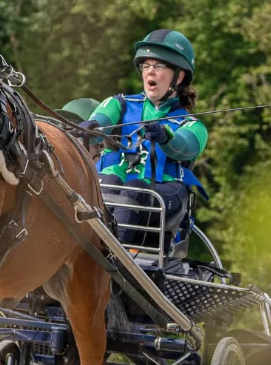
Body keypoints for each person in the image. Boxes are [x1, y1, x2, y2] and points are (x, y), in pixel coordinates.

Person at [80, 29, 208, 249]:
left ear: (178, 76)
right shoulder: (118, 103)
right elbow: (102, 119)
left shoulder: (193, 126)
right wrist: (92, 127)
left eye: (158, 66)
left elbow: (184, 146)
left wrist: (166, 137)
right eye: (146, 66)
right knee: (105, 183)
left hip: (164, 194)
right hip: (114, 183)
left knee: (135, 188)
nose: (150, 72)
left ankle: (111, 259)